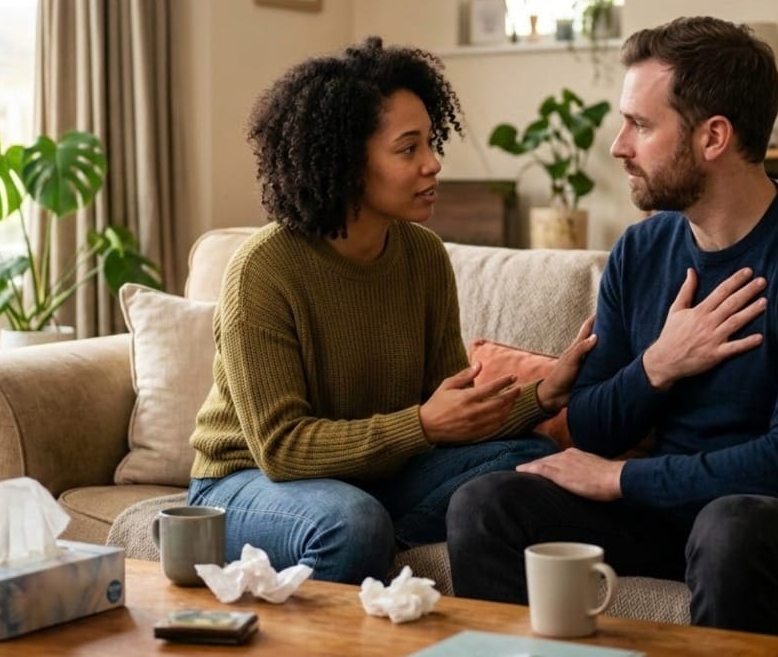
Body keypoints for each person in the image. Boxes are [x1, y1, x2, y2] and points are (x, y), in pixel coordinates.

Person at [446, 16, 778, 637]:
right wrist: (658, 366)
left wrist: (620, 478)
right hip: (673, 509)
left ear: (713, 138)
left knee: (730, 529)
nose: (618, 145)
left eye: (641, 124)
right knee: (487, 505)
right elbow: (593, 423)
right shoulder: (641, 251)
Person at [187, 36, 597, 585]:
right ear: (348, 162)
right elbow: (281, 449)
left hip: (370, 476)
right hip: (245, 480)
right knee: (350, 523)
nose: (433, 164)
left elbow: (449, 411)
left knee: (524, 460)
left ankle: (378, 536)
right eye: (408, 149)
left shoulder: (423, 257)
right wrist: (423, 425)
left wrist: (544, 396)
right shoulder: (263, 270)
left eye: (431, 142)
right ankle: (364, 543)